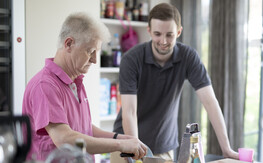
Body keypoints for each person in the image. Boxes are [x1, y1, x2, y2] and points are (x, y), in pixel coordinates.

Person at [111, 3, 239, 162]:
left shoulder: (188, 57)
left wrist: (226, 149)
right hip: (126, 144)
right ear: (149, 31)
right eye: (157, 34)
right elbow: (129, 112)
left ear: (178, 32)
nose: (163, 41)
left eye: (169, 35)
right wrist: (134, 153)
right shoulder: (131, 60)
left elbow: (210, 101)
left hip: (163, 146)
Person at [22, 12, 147, 161]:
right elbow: (64, 139)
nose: (95, 60)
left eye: (97, 52)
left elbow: (83, 129)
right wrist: (120, 145)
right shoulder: (45, 86)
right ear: (69, 44)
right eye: (90, 51)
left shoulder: (75, 81)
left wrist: (120, 138)